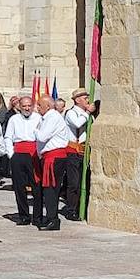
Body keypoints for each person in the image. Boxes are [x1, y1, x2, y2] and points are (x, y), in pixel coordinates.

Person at [33, 95, 73, 232]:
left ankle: (53, 219)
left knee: (51, 189)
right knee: (49, 188)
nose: (37, 108)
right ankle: (51, 216)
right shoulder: (47, 118)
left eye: (39, 105)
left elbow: (42, 136)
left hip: (54, 158)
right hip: (49, 157)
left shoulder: (52, 117)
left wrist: (35, 130)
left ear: (48, 106)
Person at [2, 95, 42, 227]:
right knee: (19, 187)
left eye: (29, 105)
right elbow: (8, 137)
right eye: (24, 106)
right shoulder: (14, 119)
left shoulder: (38, 118)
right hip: (18, 153)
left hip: (33, 153)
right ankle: (24, 216)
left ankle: (37, 216)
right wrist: (11, 154)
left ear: (33, 105)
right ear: (19, 106)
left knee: (36, 186)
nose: (26, 108)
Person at [62, 89, 99, 221]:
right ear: (77, 100)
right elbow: (78, 123)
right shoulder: (71, 113)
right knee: (74, 182)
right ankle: (71, 209)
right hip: (73, 150)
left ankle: (80, 207)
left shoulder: (87, 114)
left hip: (84, 150)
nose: (87, 100)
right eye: (85, 98)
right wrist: (88, 112)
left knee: (86, 179)